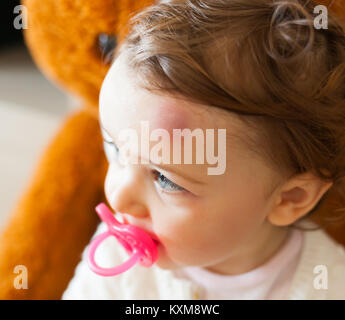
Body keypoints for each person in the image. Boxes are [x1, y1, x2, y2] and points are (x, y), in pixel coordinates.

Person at [62, 0, 345, 299]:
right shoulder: (116, 257)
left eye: (165, 179)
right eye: (115, 149)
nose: (119, 196)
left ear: (290, 198)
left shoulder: (327, 284)